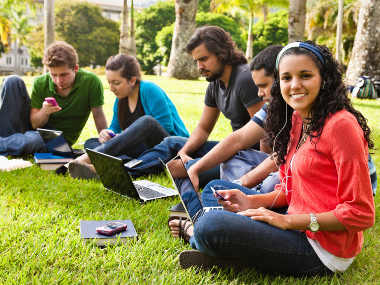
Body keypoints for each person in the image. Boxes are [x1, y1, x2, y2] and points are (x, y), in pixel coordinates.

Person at [170, 41, 376, 276]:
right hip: (293, 221)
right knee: (216, 189)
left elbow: (360, 214)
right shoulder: (299, 119)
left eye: (305, 75)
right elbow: (292, 190)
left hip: (321, 249)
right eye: (286, 78)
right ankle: (233, 253)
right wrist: (251, 202)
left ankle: (195, 234)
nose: (295, 85)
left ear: (324, 78)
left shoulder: (341, 126)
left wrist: (287, 222)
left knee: (210, 226)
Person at [114, 26, 264, 188]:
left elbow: (264, 133)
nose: (199, 66)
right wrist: (183, 152)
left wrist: (261, 172)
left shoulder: (245, 79)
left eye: (204, 59)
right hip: (234, 150)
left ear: (223, 53)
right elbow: (203, 128)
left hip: (250, 157)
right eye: (196, 61)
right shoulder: (214, 84)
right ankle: (123, 170)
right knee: (172, 143)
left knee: (178, 169)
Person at [66, 54, 189, 179]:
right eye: (109, 83)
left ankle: (87, 159)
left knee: (148, 122)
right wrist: (107, 133)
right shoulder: (120, 99)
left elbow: (166, 127)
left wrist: (127, 138)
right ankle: (128, 165)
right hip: (144, 151)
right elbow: (115, 127)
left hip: (171, 148)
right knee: (92, 143)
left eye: (116, 83)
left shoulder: (148, 89)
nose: (111, 88)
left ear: (132, 80)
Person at [0, 41, 107, 156]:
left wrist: (107, 144)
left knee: (37, 140)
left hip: (59, 140)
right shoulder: (40, 82)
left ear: (75, 68)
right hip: (35, 129)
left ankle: (6, 144)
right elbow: (35, 125)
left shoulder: (91, 81)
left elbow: (98, 115)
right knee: (11, 81)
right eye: (53, 75)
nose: (58, 80)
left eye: (64, 75)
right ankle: (7, 141)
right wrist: (45, 112)